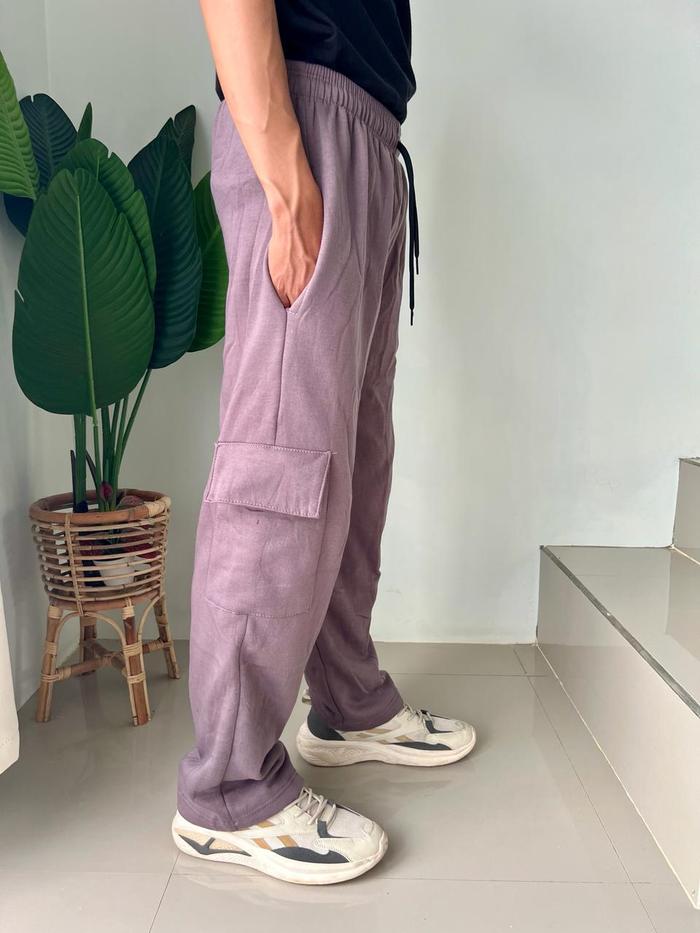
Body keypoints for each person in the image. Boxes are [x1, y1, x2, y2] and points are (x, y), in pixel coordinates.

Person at [173, 0, 476, 885]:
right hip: (305, 122)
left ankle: (346, 700)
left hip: (370, 139)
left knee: (353, 462)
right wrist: (286, 181)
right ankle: (226, 788)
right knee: (282, 464)